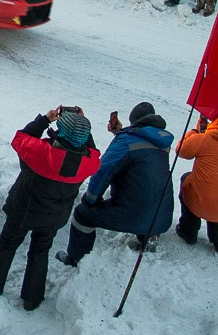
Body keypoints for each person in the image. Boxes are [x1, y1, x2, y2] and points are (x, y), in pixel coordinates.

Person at [0, 107, 99, 310]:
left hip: (23, 210)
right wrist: (82, 126)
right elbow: (93, 150)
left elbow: (20, 138)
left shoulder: (41, 152)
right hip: (54, 217)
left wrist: (45, 119)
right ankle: (32, 299)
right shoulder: (89, 163)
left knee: (6, 246)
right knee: (40, 252)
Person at [56, 102, 176, 265]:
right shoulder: (162, 144)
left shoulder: (126, 140)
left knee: (82, 214)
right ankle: (149, 237)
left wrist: (90, 200)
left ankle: (76, 258)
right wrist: (120, 132)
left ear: (134, 121)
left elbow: (102, 172)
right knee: (147, 189)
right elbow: (138, 149)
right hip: (162, 217)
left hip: (135, 216)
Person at [174, 107, 218, 252]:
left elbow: (180, 150)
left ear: (214, 120)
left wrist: (195, 131)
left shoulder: (204, 139)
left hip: (204, 199)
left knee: (187, 180)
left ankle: (189, 230)